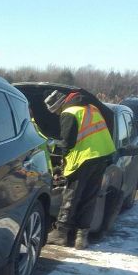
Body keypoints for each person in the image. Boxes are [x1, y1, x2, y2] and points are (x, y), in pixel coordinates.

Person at [44, 90, 116, 249]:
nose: (57, 114)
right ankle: (81, 238)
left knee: (71, 195)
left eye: (56, 112)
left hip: (84, 157)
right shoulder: (91, 107)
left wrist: (61, 163)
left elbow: (68, 142)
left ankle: (61, 234)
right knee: (89, 196)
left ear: (58, 106)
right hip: (101, 155)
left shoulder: (69, 112)